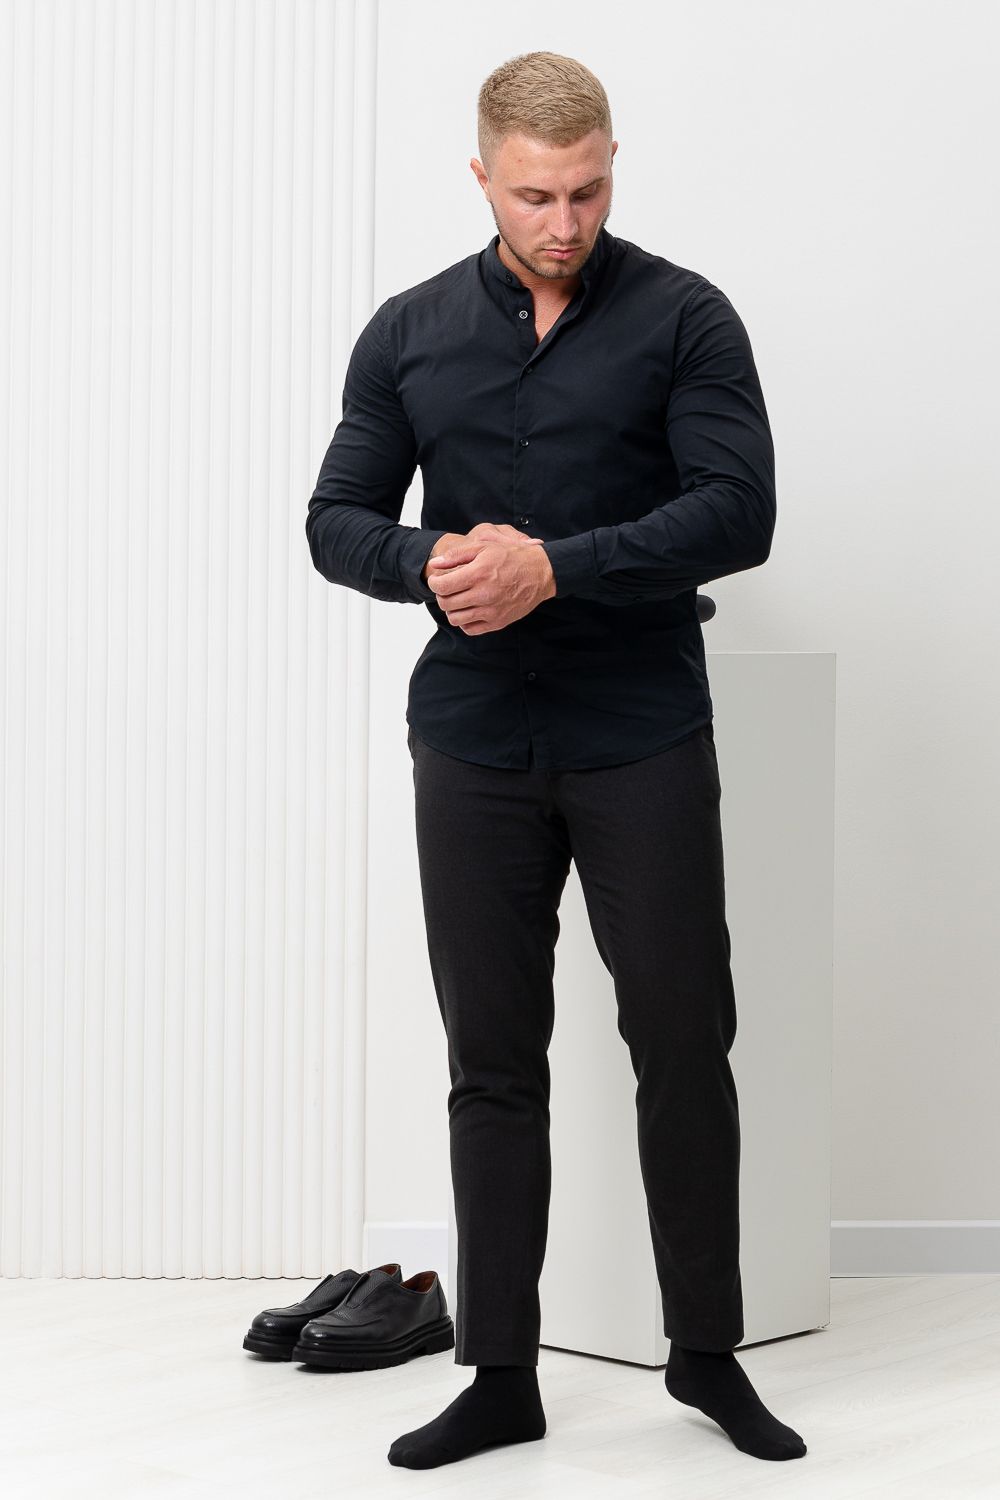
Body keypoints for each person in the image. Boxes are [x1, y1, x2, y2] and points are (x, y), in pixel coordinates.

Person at [306, 48, 807, 1471]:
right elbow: (335, 517)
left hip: (640, 730)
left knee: (682, 1042)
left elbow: (740, 510)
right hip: (472, 737)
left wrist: (558, 566)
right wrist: (429, 561)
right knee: (491, 1060)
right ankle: (500, 1374)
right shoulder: (407, 332)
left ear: (611, 166)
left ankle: (704, 1357)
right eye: (536, 195)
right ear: (484, 177)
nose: (565, 221)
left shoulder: (686, 316)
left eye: (587, 190)